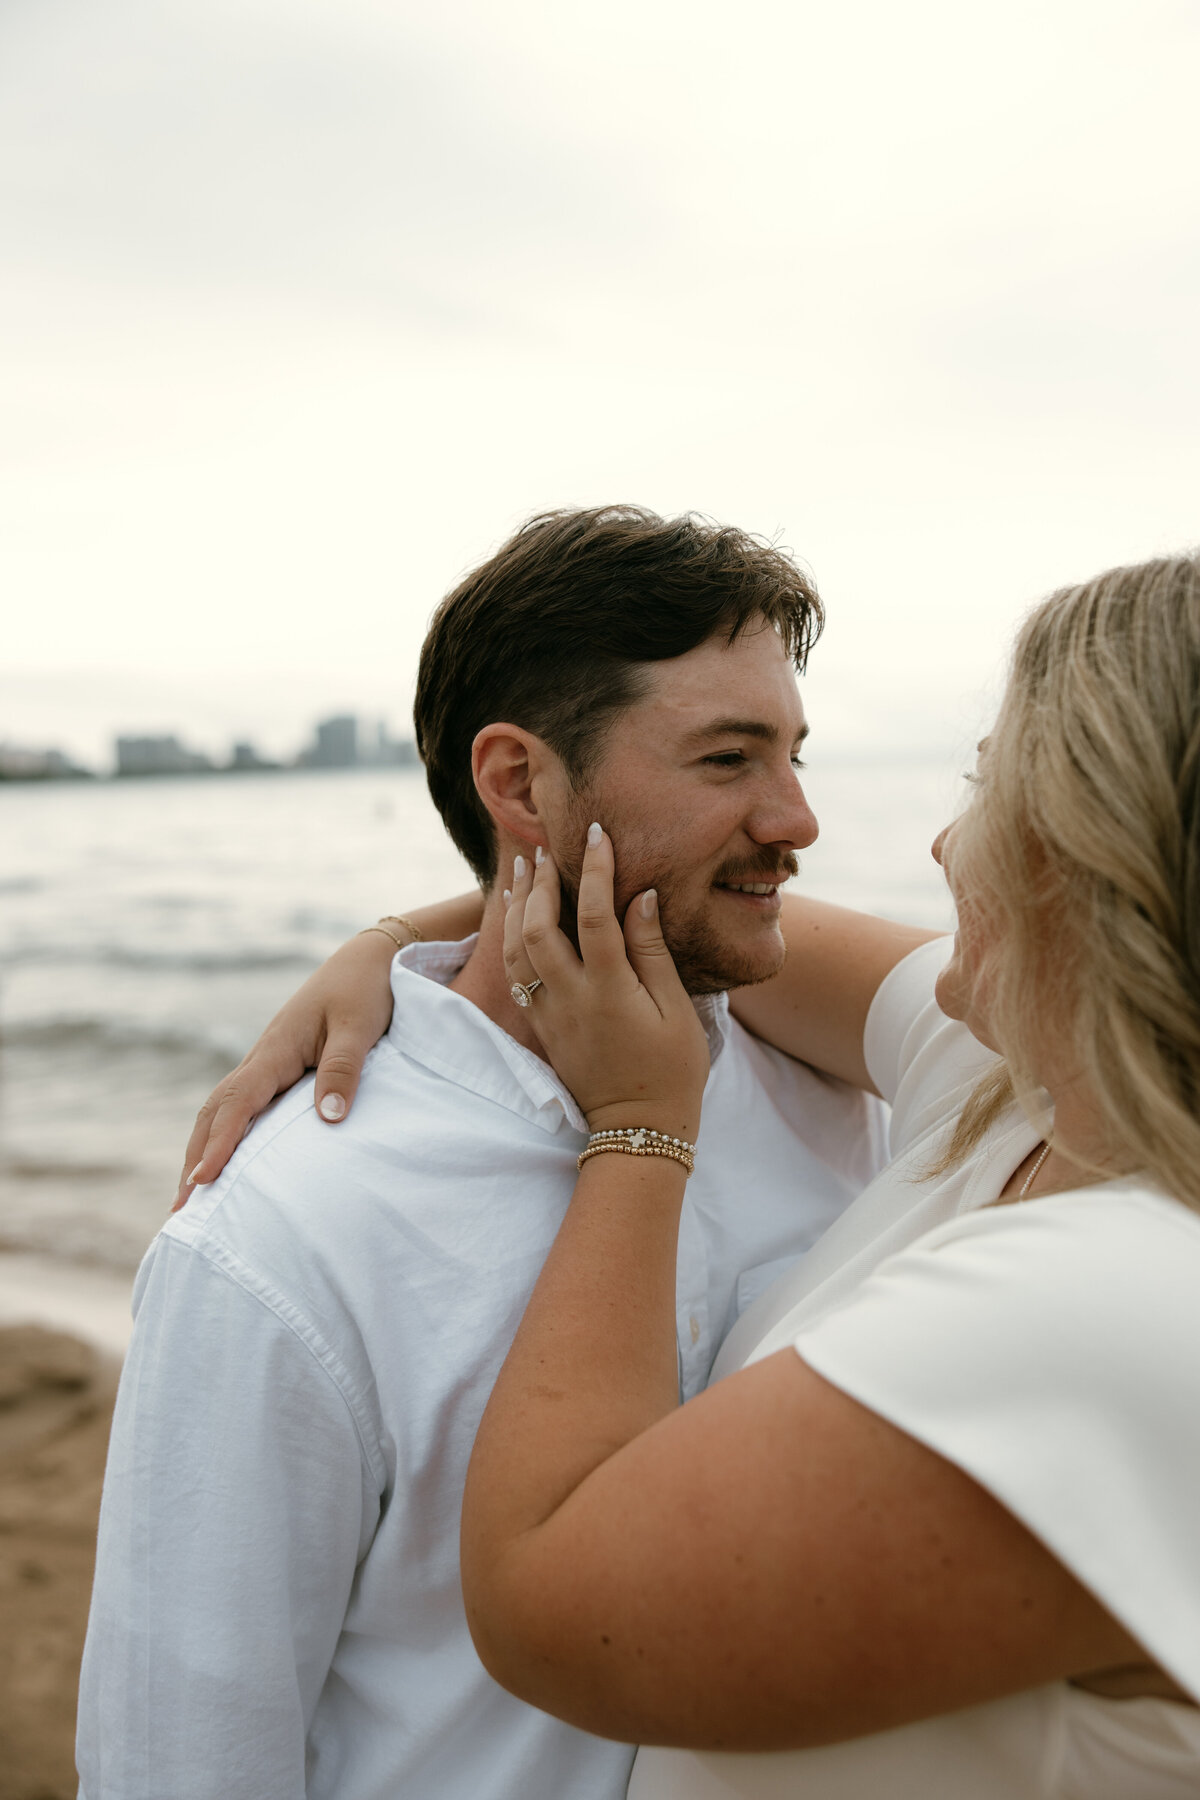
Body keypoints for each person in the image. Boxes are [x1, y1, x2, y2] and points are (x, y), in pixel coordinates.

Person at [190, 552, 1200, 1794]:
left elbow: (545, 1598)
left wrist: (640, 1126)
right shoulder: (1007, 1089)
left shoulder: (1122, 1294)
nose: (935, 839)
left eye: (992, 784)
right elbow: (674, 905)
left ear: (1097, 855)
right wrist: (399, 935)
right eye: (733, 757)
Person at [77, 506, 900, 1800]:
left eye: (795, 754)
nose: (797, 821)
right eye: (730, 759)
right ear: (518, 783)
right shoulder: (285, 1236)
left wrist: (433, 919)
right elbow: (184, 1759)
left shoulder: (849, 1100)